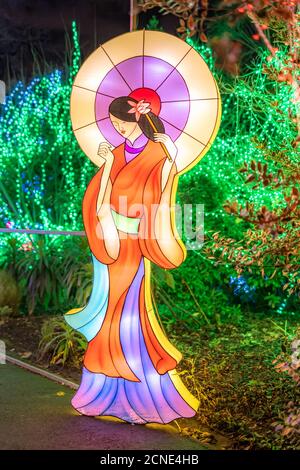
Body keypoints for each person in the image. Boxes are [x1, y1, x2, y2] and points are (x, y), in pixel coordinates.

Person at [64, 89, 200, 424]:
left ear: (139, 117)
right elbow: (98, 198)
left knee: (130, 317)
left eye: (122, 122)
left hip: (135, 246)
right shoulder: (117, 153)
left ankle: (143, 397)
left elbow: (161, 191)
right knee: (109, 318)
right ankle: (103, 395)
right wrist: (109, 164)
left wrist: (170, 159)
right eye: (113, 123)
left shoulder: (157, 153)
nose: (118, 129)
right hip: (111, 243)